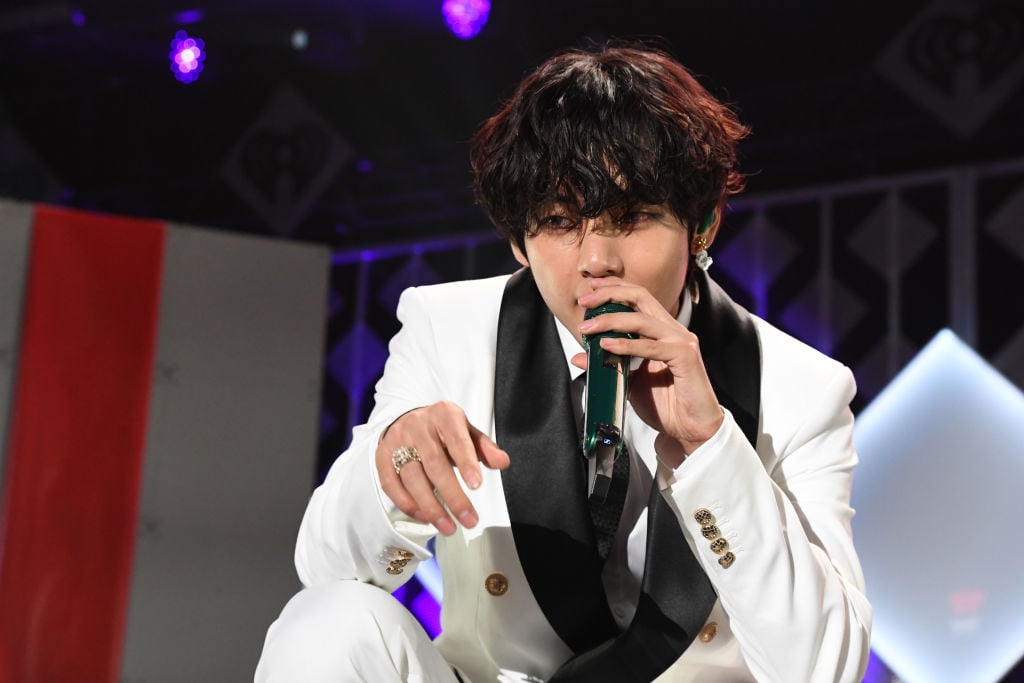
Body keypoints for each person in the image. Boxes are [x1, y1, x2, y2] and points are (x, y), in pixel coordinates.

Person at [255, 41, 872, 682]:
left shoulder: (801, 387)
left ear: (703, 225)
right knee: (329, 620)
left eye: (633, 217)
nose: (596, 260)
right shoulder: (451, 329)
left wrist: (711, 448)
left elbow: (822, 670)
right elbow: (326, 572)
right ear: (517, 240)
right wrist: (398, 469)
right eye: (558, 221)